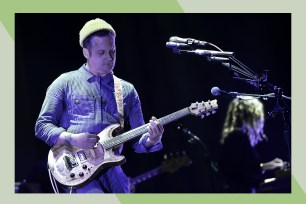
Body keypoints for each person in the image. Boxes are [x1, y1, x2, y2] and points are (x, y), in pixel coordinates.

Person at [35, 18, 164, 193]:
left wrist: (152, 140)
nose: (109, 58)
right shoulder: (64, 82)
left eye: (113, 51)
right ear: (86, 52)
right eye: (101, 52)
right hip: (76, 169)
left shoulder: (127, 90)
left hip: (113, 170)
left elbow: (138, 141)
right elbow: (42, 126)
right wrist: (72, 139)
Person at [218, 97, 284, 193]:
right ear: (251, 115)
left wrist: (267, 165)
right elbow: (238, 173)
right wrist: (264, 175)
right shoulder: (237, 138)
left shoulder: (236, 137)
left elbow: (244, 168)